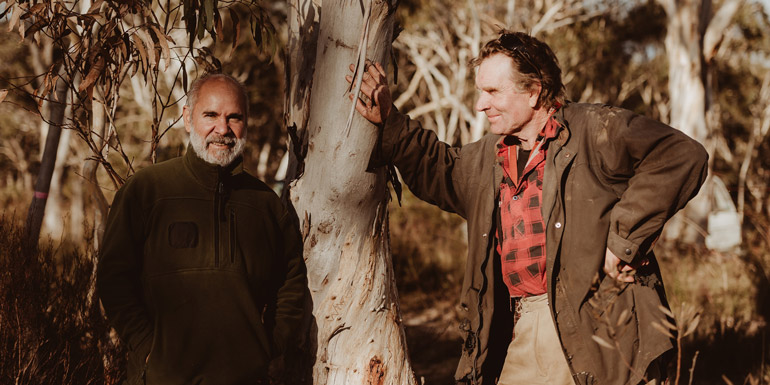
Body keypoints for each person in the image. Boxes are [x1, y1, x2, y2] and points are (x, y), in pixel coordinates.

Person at [348, 31, 708, 385]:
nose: (480, 104)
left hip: (599, 321)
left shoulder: (595, 129)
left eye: (492, 92)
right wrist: (390, 121)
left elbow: (680, 156)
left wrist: (623, 240)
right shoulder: (487, 158)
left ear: (534, 91)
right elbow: (438, 168)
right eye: (480, 92)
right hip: (524, 323)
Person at [97, 73, 307, 385]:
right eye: (211, 115)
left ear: (246, 122)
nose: (222, 129)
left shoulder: (265, 204)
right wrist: (149, 350)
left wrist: (270, 346)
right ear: (187, 117)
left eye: (234, 117)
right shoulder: (146, 190)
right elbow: (114, 278)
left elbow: (290, 282)